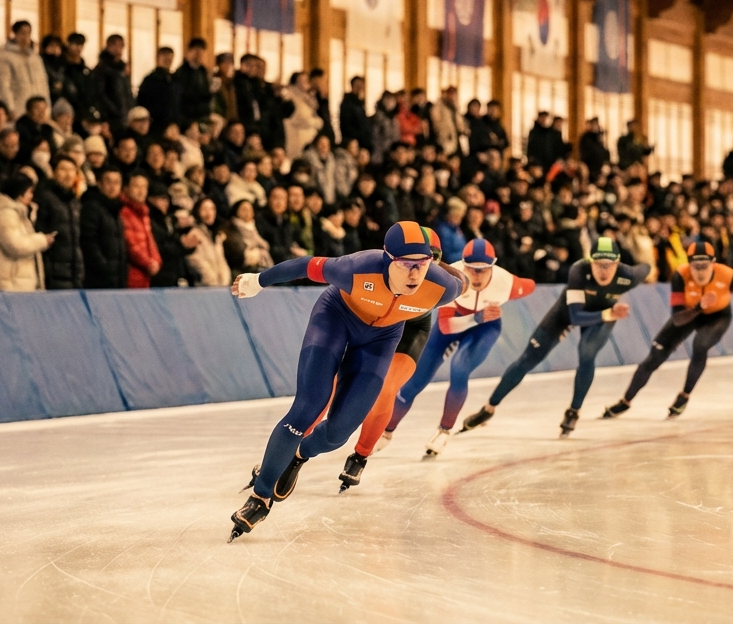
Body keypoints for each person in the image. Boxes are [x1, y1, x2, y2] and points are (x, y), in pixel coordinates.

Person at [227, 222, 462, 540]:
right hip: (336, 318)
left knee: (339, 432)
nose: (414, 274)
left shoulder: (443, 286)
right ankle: (261, 495)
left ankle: (299, 455)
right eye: (406, 265)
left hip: (381, 338)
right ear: (387, 259)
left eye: (421, 265)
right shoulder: (355, 268)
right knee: (309, 407)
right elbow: (304, 266)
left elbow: (463, 282)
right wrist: (257, 281)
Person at [461, 237, 652, 437]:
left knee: (587, 354)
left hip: (602, 316)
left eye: (609, 265)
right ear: (590, 262)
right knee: (528, 358)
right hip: (571, 312)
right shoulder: (579, 270)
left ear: (618, 263)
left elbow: (645, 267)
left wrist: (650, 269)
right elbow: (576, 317)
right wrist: (609, 313)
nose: (604, 271)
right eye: (599, 265)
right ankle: (488, 408)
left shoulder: (628, 275)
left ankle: (574, 411)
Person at [378, 239, 535, 461]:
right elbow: (446, 325)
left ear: (493, 266)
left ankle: (444, 431)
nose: (477, 276)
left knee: (460, 368)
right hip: (453, 323)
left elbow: (530, 285)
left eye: (483, 270)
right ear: (463, 264)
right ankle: (386, 432)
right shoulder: (452, 279)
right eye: (472, 269)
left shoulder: (506, 282)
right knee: (415, 381)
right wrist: (476, 316)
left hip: (484, 329)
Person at [334, 229, 450, 491]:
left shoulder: (442, 279)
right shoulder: (380, 268)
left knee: (386, 389)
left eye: (428, 262)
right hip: (377, 322)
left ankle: (361, 455)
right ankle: (293, 444)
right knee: (329, 383)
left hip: (411, 331)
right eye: (410, 263)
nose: (417, 272)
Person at [604, 240, 733, 420]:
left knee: (700, 345)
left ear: (713, 264)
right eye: (695, 266)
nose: (700, 271)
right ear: (688, 264)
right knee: (655, 356)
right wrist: (700, 306)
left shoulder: (727, 275)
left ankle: (684, 396)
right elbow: (677, 319)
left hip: (717, 316)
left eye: (704, 266)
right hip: (689, 313)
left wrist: (728, 292)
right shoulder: (681, 276)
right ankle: (625, 401)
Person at [0, 173, 55, 291]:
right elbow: (16, 245)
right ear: (19, 192)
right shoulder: (6, 215)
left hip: (15, 286)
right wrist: (41, 240)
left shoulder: (17, 215)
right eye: (29, 191)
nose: (32, 196)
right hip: (8, 287)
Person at [35, 155, 85, 289]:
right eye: (63, 169)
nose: (68, 175)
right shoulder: (45, 197)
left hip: (75, 274)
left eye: (72, 170)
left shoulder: (75, 202)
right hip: (54, 273)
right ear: (54, 172)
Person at [80, 167, 129, 289]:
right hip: (98, 281)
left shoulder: (116, 210)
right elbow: (88, 242)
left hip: (117, 279)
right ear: (99, 184)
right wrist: (105, 267)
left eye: (117, 182)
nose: (113, 187)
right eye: (108, 182)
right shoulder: (91, 207)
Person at [0, 20, 49, 118]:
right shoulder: (6, 58)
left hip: (39, 110)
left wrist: (47, 107)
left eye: (28, 33)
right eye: (22, 33)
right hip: (19, 109)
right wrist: (10, 108)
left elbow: (44, 84)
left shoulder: (36, 58)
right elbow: (3, 85)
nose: (25, 37)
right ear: (15, 34)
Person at [120, 173, 161, 288]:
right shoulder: (123, 212)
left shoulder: (144, 213)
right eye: (136, 186)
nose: (141, 191)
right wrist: (148, 263)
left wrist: (156, 260)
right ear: (126, 189)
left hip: (145, 274)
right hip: (131, 273)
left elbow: (150, 241)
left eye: (144, 187)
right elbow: (129, 243)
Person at [187, 196, 231, 287]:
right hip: (204, 287)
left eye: (212, 209)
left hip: (221, 287)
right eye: (204, 209)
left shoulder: (216, 235)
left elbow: (222, 261)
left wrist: (224, 282)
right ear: (197, 212)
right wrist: (212, 281)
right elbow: (196, 261)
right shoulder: (193, 234)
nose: (209, 213)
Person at [94, 34, 135, 123]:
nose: (120, 49)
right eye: (118, 45)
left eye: (122, 46)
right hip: (111, 117)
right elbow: (100, 94)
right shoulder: (102, 69)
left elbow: (128, 92)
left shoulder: (123, 69)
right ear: (109, 46)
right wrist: (115, 111)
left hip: (125, 115)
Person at [136, 46, 178, 131]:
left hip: (173, 123)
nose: (168, 61)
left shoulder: (175, 79)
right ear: (157, 58)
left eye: (170, 59)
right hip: (155, 124)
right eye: (165, 58)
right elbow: (143, 103)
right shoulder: (150, 80)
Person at [172, 38, 212, 124]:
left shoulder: (203, 71)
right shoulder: (181, 73)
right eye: (197, 52)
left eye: (202, 52)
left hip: (203, 115)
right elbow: (180, 99)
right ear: (189, 52)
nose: (199, 55)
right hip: (188, 117)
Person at [338, 76, 370, 149]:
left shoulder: (360, 104)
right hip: (353, 142)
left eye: (361, 86)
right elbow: (346, 124)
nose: (360, 88)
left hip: (362, 141)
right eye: (357, 85)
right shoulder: (347, 103)